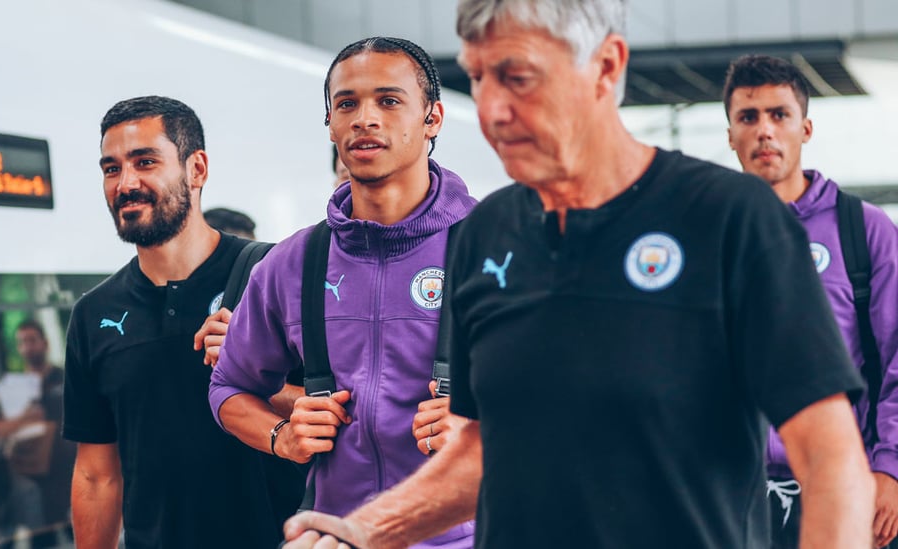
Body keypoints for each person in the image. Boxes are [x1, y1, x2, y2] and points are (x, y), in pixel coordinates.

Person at [279, 2, 875, 548]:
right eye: (479, 77)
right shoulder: (486, 235)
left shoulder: (729, 220)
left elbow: (831, 463)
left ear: (606, 66)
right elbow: (488, 447)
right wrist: (362, 530)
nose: (491, 109)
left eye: (518, 77)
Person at [208, 37, 477, 548]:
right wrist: (282, 437)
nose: (365, 118)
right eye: (347, 103)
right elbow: (228, 387)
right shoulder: (292, 263)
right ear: (330, 123)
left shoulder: (499, 249)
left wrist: (486, 428)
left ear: (433, 118)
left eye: (389, 101)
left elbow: (581, 402)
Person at [62, 95, 296, 549]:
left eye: (145, 162)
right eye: (111, 169)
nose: (126, 183)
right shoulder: (93, 314)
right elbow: (96, 474)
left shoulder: (276, 274)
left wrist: (253, 372)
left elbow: (349, 413)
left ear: (197, 169)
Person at [724, 54, 898, 549]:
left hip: (842, 491)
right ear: (730, 134)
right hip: (734, 498)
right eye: (748, 117)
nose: (764, 131)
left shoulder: (864, 232)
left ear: (806, 127)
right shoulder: (705, 239)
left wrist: (891, 469)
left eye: (779, 114)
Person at [0, 319, 75, 548]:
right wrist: (25, 418)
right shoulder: (12, 386)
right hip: (31, 478)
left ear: (45, 343)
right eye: (22, 342)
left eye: (32, 340)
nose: (27, 347)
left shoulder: (66, 377)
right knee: (41, 539)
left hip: (67, 474)